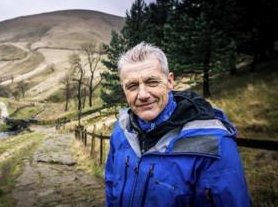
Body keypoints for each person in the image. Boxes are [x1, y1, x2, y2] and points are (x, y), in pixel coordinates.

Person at [104, 42, 251, 207]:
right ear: (123, 89)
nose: (143, 94)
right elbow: (111, 185)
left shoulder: (213, 144)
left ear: (169, 81)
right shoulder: (121, 130)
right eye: (132, 86)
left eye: (152, 82)